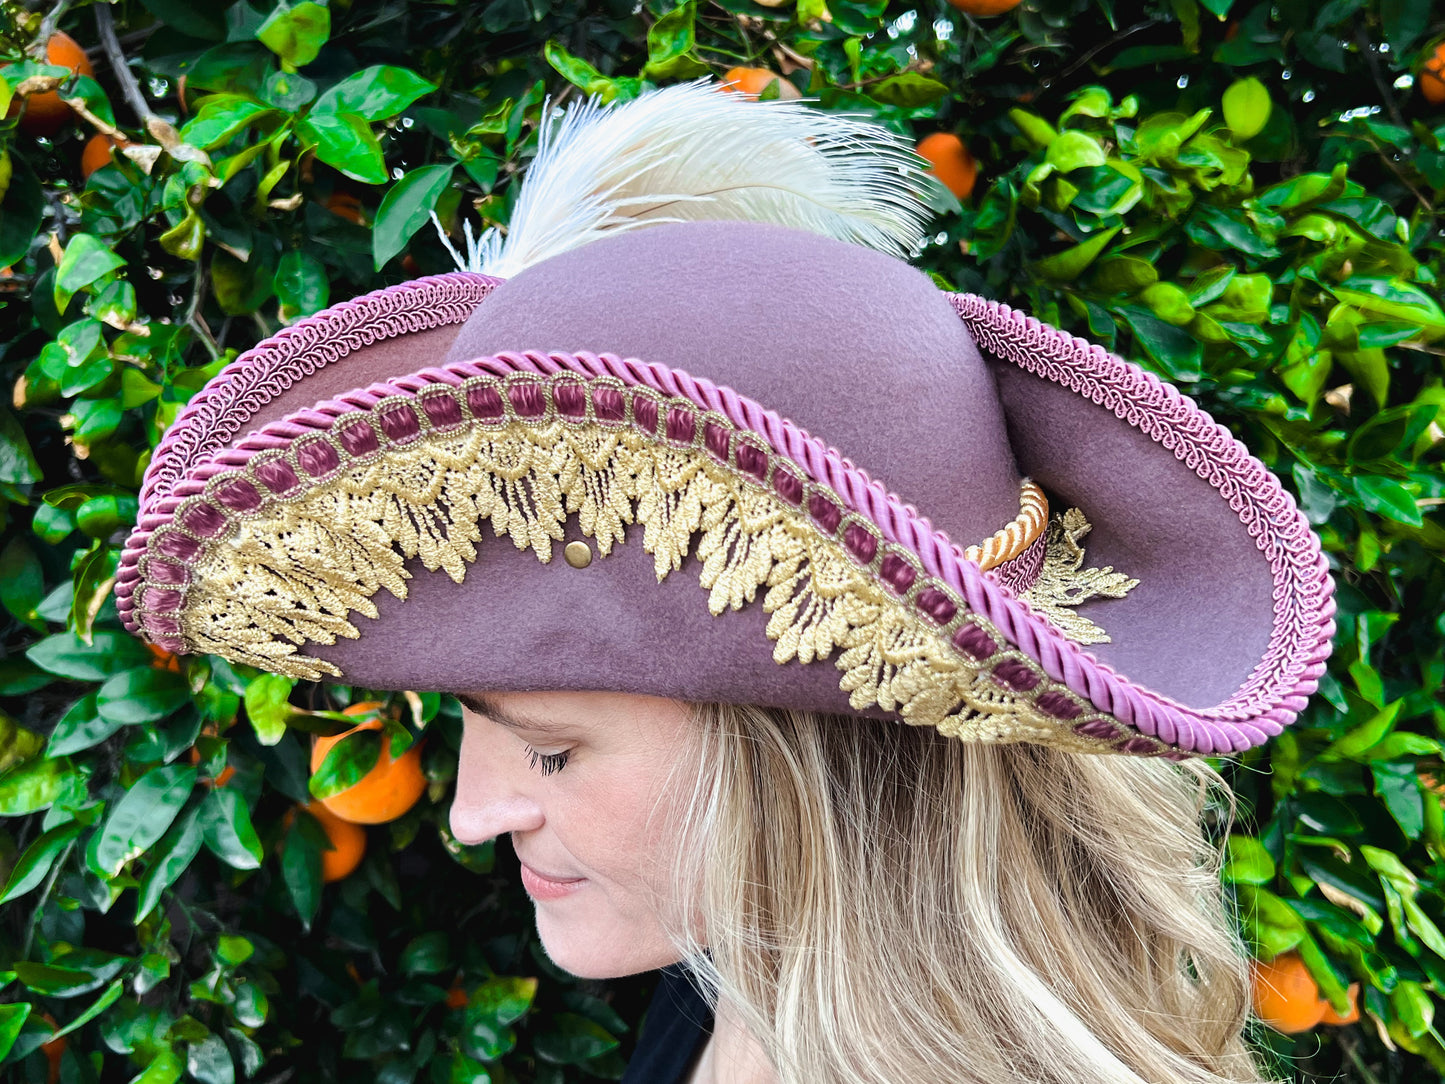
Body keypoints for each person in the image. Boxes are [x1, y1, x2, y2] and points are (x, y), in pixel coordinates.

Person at [118, 81, 1335, 1083]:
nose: (470, 814)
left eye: (549, 748)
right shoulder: (729, 995)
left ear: (817, 758)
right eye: (471, 726)